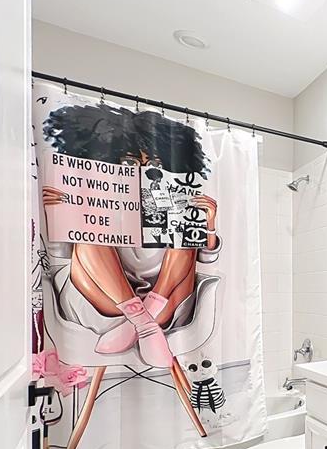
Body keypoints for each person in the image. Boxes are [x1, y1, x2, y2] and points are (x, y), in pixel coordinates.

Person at [41, 103, 219, 369]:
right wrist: (58, 215)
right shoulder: (93, 197)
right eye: (129, 162)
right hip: (100, 299)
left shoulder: (172, 201)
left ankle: (143, 319)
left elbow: (206, 259)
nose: (143, 171)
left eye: (154, 163)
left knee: (183, 234)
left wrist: (209, 223)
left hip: (165, 301)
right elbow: (64, 255)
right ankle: (143, 322)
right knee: (91, 231)